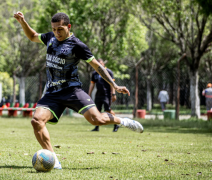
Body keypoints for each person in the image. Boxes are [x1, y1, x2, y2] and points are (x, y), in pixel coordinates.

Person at [14, 12, 143, 170]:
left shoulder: (77, 45)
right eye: (54, 29)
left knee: (97, 120)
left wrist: (114, 85)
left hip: (72, 90)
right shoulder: (50, 38)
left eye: (60, 29)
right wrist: (23, 22)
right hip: (52, 93)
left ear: (68, 27)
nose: (56, 33)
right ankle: (53, 160)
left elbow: (97, 66)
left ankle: (123, 121)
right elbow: (33, 36)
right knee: (36, 121)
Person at [88, 59, 120, 132]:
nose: (99, 65)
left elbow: (112, 84)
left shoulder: (108, 72)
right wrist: (89, 94)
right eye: (98, 63)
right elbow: (92, 84)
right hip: (98, 95)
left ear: (103, 64)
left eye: (100, 63)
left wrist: (113, 94)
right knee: (97, 111)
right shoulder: (95, 73)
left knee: (108, 110)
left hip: (106, 95)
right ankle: (97, 127)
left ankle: (116, 123)